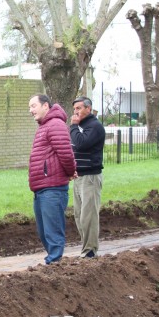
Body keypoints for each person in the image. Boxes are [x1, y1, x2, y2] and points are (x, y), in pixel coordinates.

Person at [28, 94, 77, 264]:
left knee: (52, 230)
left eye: (33, 106)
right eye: (30, 107)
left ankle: (54, 264)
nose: (31, 110)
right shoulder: (44, 126)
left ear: (46, 106)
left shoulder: (55, 124)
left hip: (53, 187)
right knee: (44, 231)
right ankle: (53, 263)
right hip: (41, 187)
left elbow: (65, 153)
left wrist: (71, 172)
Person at [70, 96, 106, 258]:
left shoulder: (94, 126)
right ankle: (86, 248)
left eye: (79, 108)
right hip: (78, 177)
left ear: (88, 109)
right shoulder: (80, 127)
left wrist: (73, 127)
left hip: (90, 177)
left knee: (88, 216)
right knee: (79, 215)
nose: (76, 112)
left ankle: (90, 250)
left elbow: (81, 143)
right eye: (74, 109)